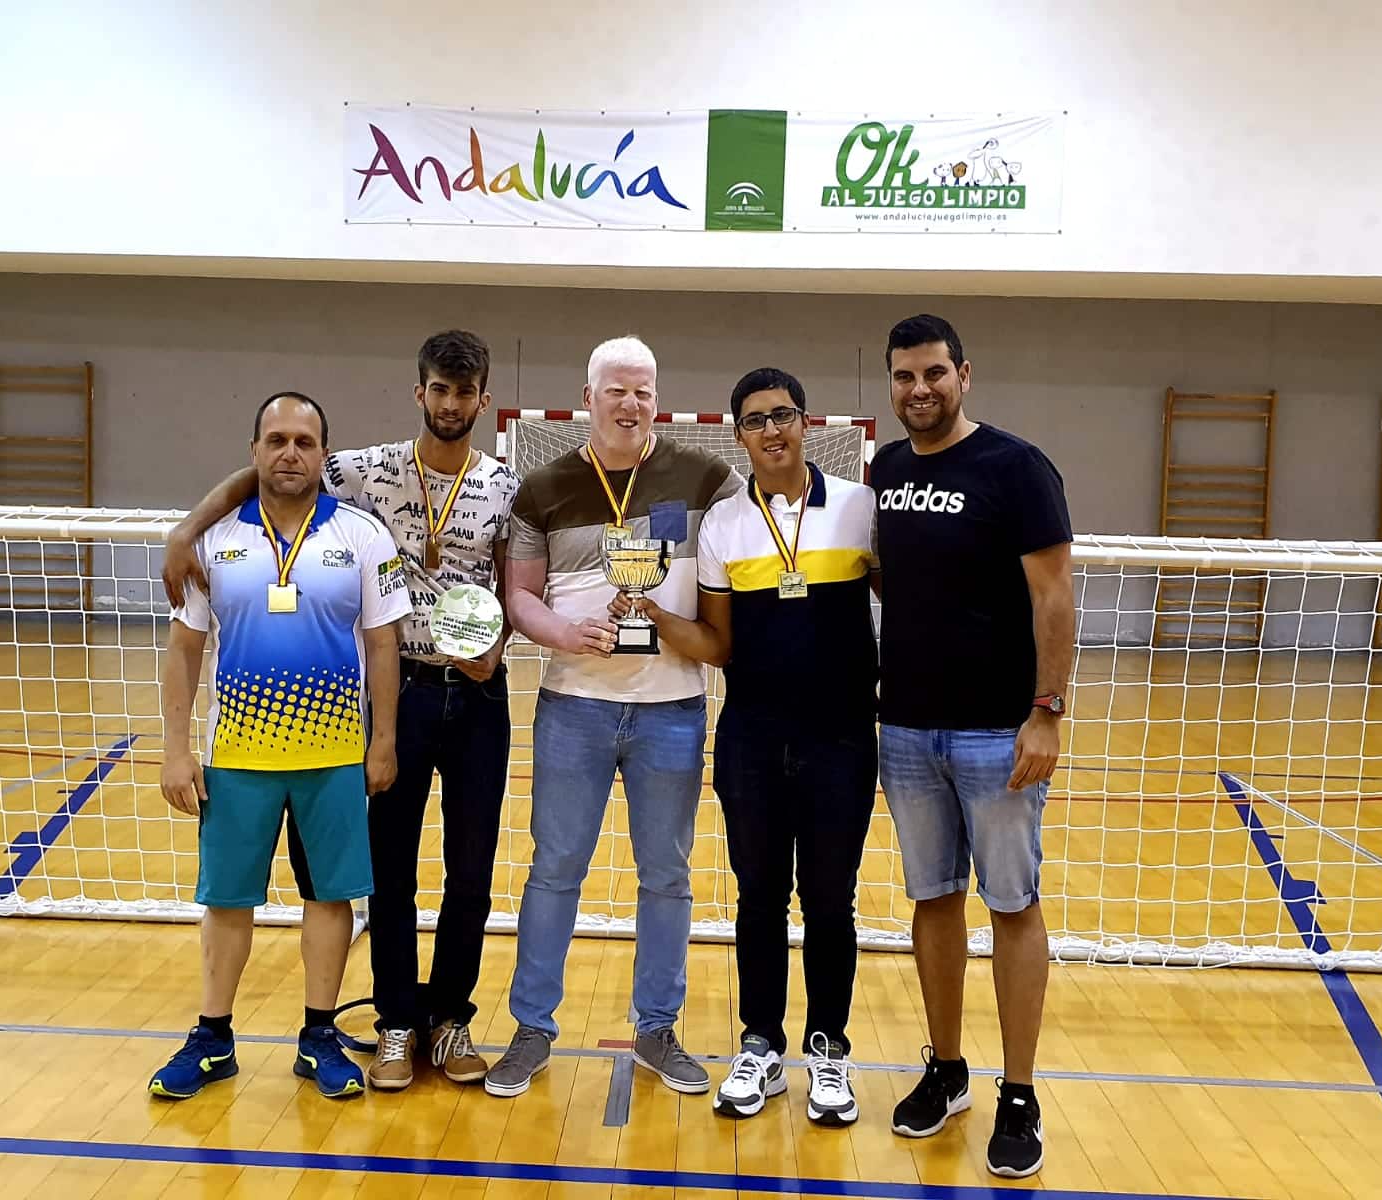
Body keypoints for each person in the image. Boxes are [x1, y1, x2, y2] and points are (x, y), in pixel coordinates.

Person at [161, 331, 519, 1091]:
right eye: (439, 390)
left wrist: (499, 642)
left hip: (480, 696)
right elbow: (266, 471)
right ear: (419, 392)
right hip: (403, 694)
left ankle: (450, 1021)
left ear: (483, 400)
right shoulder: (363, 470)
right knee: (387, 873)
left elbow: (517, 584)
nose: (451, 404)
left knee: (473, 870)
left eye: (465, 393)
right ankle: (392, 1024)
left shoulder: (507, 485)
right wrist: (188, 527)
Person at [482, 335, 743, 1099]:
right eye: (617, 390)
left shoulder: (707, 478)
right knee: (555, 870)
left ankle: (657, 1029)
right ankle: (533, 1029)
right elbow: (520, 595)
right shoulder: (544, 486)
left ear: (657, 398)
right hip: (574, 708)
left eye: (644, 390)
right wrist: (564, 633)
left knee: (667, 877)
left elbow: (743, 559)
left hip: (672, 710)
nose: (631, 404)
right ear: (588, 397)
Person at [617, 368, 880, 1125]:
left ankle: (828, 1050)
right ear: (737, 436)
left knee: (832, 902)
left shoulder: (859, 508)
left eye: (785, 416)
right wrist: (654, 615)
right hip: (754, 742)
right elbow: (720, 646)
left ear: (807, 424)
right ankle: (760, 1044)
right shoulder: (726, 524)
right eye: (756, 421)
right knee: (759, 901)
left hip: (840, 740)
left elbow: (905, 595)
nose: (772, 430)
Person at [149, 391, 410, 1101]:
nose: (289, 452)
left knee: (331, 898)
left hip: (333, 757)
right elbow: (183, 651)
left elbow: (384, 646)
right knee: (227, 900)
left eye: (304, 440)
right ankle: (212, 1038)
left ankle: (318, 1036)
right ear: (254, 452)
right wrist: (176, 750)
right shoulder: (212, 540)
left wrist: (382, 742)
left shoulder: (362, 536)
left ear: (324, 454)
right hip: (237, 757)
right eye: (276, 440)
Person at [872, 315, 1074, 1179]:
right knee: (933, 900)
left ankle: (1018, 1093)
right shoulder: (884, 469)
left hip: (1000, 731)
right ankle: (947, 1070)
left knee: (1012, 906)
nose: (919, 390)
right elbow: (888, 574)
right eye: (904, 377)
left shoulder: (1016, 468)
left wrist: (1047, 711)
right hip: (907, 725)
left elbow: (1055, 595)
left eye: (934, 374)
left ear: (964, 374)